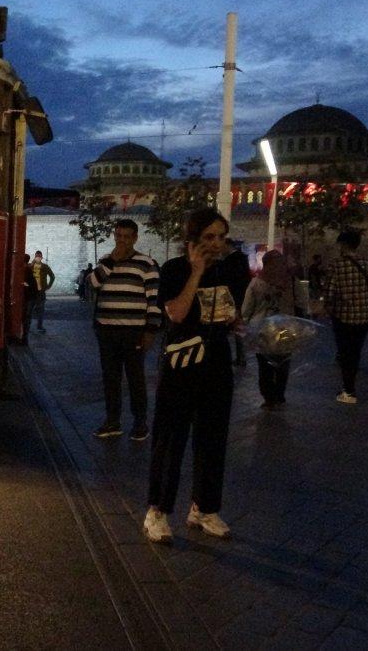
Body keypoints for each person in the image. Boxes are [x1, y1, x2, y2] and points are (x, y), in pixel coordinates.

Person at [144, 208, 237, 543]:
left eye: (221, 237)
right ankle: (157, 510)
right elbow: (178, 313)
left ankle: (204, 507)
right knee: (171, 437)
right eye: (209, 237)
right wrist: (196, 273)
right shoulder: (174, 270)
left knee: (213, 437)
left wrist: (237, 323)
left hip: (216, 360)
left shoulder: (226, 271)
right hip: (182, 361)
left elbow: (229, 313)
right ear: (192, 240)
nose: (216, 244)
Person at [89, 220, 160, 440]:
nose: (122, 240)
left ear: (135, 238)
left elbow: (154, 301)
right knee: (110, 377)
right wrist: (111, 262)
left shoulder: (147, 264)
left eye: (127, 236)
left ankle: (140, 423)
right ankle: (112, 421)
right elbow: (92, 283)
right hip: (106, 330)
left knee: (135, 377)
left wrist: (150, 331)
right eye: (118, 236)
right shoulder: (106, 262)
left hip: (133, 332)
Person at [241, 250, 308, 409]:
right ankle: (279, 395)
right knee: (283, 363)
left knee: (264, 365)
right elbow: (302, 304)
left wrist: (246, 327)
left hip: (262, 330)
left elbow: (247, 309)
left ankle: (268, 397)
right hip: (287, 328)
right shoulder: (291, 281)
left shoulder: (256, 283)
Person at [322, 229, 368, 404]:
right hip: (364, 316)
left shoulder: (337, 265)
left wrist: (328, 307)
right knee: (355, 352)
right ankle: (349, 387)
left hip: (343, 316)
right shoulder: (367, 264)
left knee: (345, 352)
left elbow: (330, 292)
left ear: (344, 244)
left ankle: (349, 390)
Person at [223, 241, 251, 368]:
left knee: (236, 328)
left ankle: (240, 358)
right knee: (239, 328)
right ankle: (241, 357)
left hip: (233, 299)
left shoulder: (229, 261)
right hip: (242, 298)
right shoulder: (243, 259)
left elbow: (228, 282)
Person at [28, 250, 55, 332]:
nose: (38, 258)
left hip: (41, 291)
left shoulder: (45, 267)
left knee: (40, 309)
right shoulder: (30, 266)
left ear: (42, 257)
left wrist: (48, 286)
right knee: (29, 310)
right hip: (32, 291)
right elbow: (24, 271)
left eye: (39, 256)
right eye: (37, 256)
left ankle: (39, 325)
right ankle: (28, 325)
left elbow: (52, 276)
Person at [19, 253, 37, 344]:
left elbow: (28, 285)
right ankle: (24, 337)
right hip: (30, 297)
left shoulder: (25, 271)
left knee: (25, 317)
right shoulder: (29, 270)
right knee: (26, 318)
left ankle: (24, 337)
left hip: (27, 298)